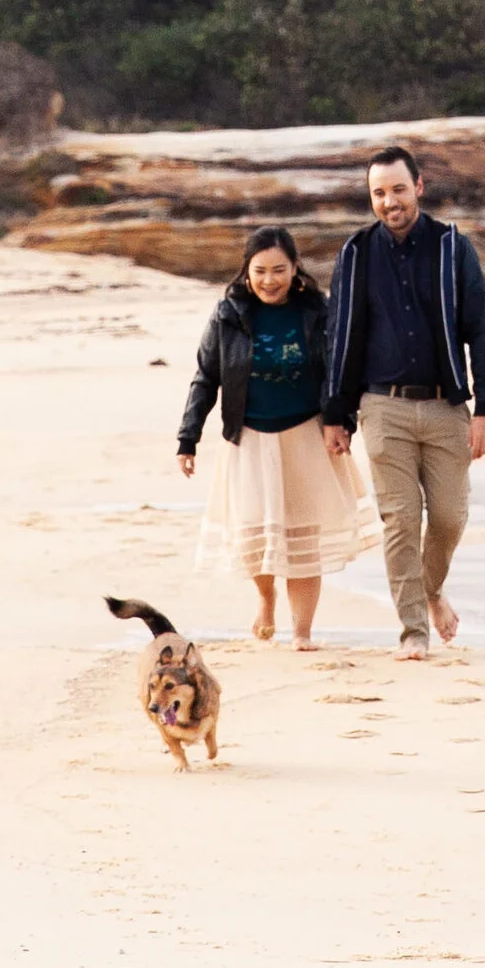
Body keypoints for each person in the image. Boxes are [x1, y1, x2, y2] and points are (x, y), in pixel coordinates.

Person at [321, 142, 485, 661]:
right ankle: (412, 631)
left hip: (447, 407)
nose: (389, 201)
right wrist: (337, 414)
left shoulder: (452, 248)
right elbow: (339, 336)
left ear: (418, 187)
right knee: (400, 520)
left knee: (448, 518)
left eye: (398, 189)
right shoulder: (355, 253)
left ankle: (431, 589)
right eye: (379, 193)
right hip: (382, 408)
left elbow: (481, 329)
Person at [177, 225, 369, 650]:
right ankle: (266, 598)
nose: (269, 280)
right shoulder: (228, 312)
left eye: (278, 270)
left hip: (306, 436)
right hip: (248, 438)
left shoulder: (318, 311)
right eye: (259, 270)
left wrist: (343, 421)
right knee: (256, 534)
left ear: (295, 268)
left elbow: (341, 373)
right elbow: (206, 377)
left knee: (304, 541)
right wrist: (187, 438)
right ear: (246, 271)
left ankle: (302, 632)